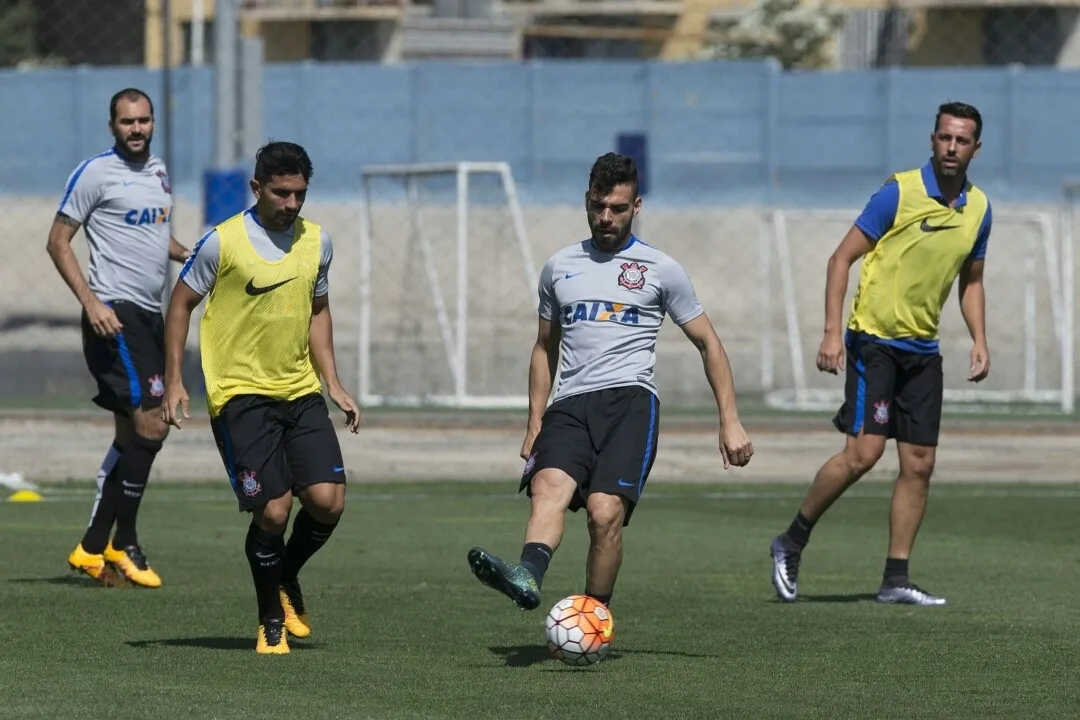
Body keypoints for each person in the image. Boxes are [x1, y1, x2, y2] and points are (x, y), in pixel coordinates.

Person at [467, 152, 754, 612]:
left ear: (636, 206)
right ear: (586, 201)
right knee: (547, 487)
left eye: (617, 208)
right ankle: (526, 574)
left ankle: (594, 614)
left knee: (604, 515)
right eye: (598, 206)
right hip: (569, 404)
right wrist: (534, 421)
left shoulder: (661, 269)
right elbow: (544, 347)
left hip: (630, 405)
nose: (606, 217)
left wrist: (730, 420)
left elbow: (709, 344)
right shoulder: (559, 267)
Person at [769, 101, 992, 607]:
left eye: (962, 140)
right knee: (863, 454)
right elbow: (840, 258)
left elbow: (972, 281)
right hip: (874, 342)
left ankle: (895, 578)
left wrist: (979, 338)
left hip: (923, 350)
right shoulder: (900, 192)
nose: (951, 147)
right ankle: (791, 541)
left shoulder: (979, 208)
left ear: (976, 148)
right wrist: (831, 333)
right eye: (944, 137)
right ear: (932, 140)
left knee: (920, 463)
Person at [161, 141, 361, 654]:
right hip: (240, 395)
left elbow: (319, 310)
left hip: (298, 388)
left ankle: (286, 575)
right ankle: (270, 617)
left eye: (300, 194)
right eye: (281, 193)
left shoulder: (317, 242)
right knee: (272, 513)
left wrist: (332, 381)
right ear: (257, 188)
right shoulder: (222, 243)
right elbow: (180, 305)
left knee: (328, 503)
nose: (292, 203)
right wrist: (176, 379)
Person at [49, 87, 191, 589]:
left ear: (153, 124)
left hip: (151, 314)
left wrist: (189, 255)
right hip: (115, 316)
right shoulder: (94, 173)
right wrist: (92, 304)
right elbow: (58, 240)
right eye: (127, 122)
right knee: (153, 426)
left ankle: (91, 547)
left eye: (144, 121)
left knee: (131, 435)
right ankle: (122, 541)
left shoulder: (158, 172)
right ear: (112, 126)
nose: (137, 129)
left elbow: (155, 235)